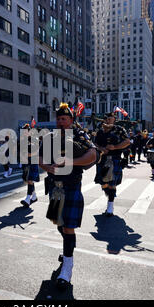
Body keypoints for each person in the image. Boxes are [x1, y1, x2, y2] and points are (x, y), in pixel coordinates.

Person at [39, 103, 98, 290]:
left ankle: (68, 266)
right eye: (58, 119)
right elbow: (39, 157)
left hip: (71, 187)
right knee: (60, 225)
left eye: (64, 119)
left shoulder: (80, 135)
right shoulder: (50, 137)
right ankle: (67, 251)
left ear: (71, 120)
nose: (60, 122)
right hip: (55, 188)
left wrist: (72, 161)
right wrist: (46, 167)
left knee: (68, 228)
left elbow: (92, 155)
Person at [94, 112, 130, 217]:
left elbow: (127, 141)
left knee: (112, 183)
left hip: (114, 159)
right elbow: (95, 143)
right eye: (107, 118)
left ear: (114, 119)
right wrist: (101, 149)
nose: (109, 120)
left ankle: (110, 206)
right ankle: (109, 194)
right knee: (103, 183)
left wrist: (115, 147)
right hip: (102, 159)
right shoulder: (100, 130)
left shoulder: (119, 130)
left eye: (111, 118)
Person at [20, 124, 39, 208]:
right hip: (26, 162)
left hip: (33, 162)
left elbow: (38, 151)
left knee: (30, 180)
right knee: (28, 180)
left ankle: (28, 199)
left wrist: (30, 154)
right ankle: (34, 196)